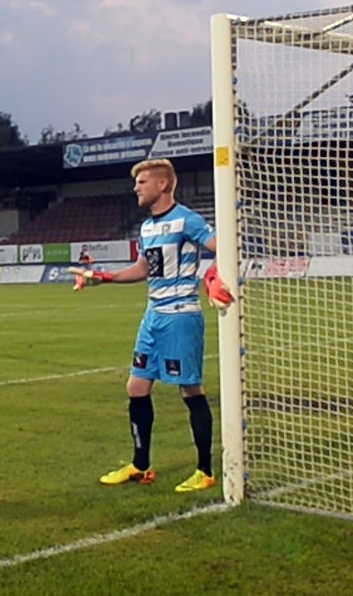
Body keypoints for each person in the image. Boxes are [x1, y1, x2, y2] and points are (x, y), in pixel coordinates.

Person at [72, 159, 231, 494]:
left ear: (163, 185)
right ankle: (141, 465)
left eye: (142, 182)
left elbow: (225, 247)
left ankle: (205, 471)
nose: (136, 188)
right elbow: (144, 268)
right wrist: (102, 277)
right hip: (153, 317)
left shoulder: (187, 219)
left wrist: (213, 275)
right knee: (136, 387)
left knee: (190, 389)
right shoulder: (146, 228)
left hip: (181, 317)